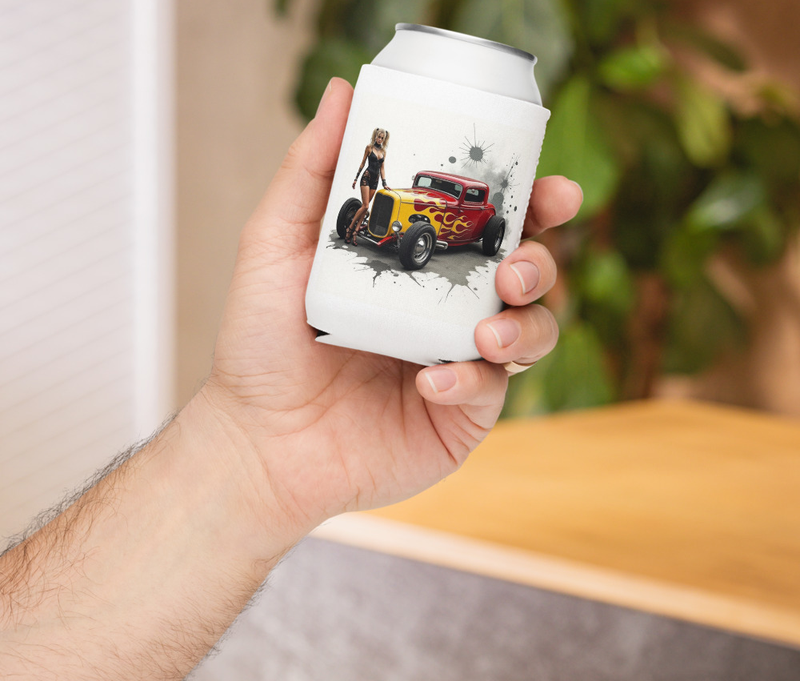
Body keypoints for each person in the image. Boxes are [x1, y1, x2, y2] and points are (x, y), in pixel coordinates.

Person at [0, 78, 582, 680]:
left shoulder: (473, 214)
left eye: (446, 192)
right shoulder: (400, 200)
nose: (434, 194)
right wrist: (255, 445)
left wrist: (258, 443)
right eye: (435, 191)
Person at [347, 126, 390, 244]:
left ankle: (355, 232)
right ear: (375, 137)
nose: (379, 139)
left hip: (375, 181)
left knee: (365, 207)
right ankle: (350, 228)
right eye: (378, 137)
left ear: (383, 139)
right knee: (365, 206)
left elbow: (382, 168)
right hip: (366, 177)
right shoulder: (369, 148)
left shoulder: (383, 152)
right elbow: (362, 163)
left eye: (382, 138)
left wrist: (384, 183)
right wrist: (356, 178)